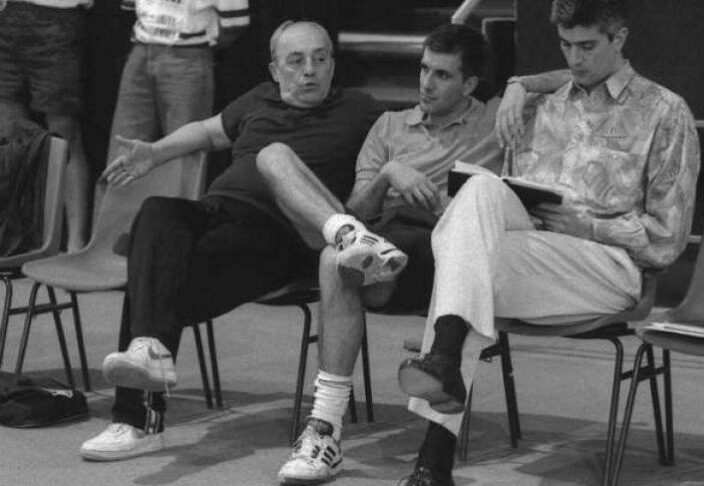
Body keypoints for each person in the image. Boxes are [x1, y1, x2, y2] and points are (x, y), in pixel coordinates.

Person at [397, 0, 701, 484]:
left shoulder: (664, 111)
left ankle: (435, 442)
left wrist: (588, 225)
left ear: (619, 38)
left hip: (609, 267)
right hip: (534, 255)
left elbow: (667, 239)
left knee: (467, 262)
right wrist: (521, 86)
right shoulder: (542, 105)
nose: (575, 58)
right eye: (565, 45)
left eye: (588, 46)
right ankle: (440, 402)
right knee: (478, 194)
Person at [78, 20, 405, 462]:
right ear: (275, 69)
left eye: (320, 58)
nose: (310, 70)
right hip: (218, 215)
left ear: (333, 63)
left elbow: (407, 139)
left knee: (150, 274)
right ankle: (148, 353)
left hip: (279, 236)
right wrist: (155, 153)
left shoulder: (360, 110)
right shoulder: (259, 98)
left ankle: (137, 418)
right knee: (156, 214)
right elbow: (208, 131)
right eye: (296, 61)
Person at [277, 24, 504, 485]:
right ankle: (324, 432)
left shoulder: (495, 126)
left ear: (470, 84)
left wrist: (520, 86)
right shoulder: (389, 126)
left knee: (344, 259)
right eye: (423, 69)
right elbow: (355, 211)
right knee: (335, 257)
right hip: (385, 241)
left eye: (442, 75)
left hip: (449, 256)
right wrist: (388, 175)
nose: (426, 83)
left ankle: (324, 426)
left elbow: (569, 75)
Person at [93, 0, 250, 216]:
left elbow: (235, 21)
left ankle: (175, 233)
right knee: (124, 149)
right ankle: (113, 234)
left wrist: (201, 44)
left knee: (183, 152)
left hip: (188, 54)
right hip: (142, 48)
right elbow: (130, 6)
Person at [0, 0, 92, 251]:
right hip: (8, 15)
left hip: (57, 16)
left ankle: (75, 243)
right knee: (8, 136)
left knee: (65, 135)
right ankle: (12, 239)